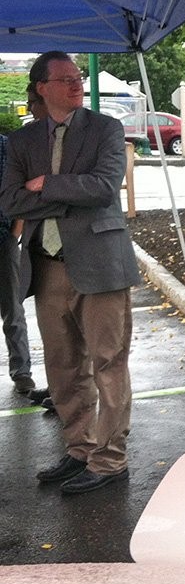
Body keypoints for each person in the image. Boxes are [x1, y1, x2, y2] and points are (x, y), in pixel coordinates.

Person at [0, 51, 141, 494]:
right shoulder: (23, 143)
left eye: (77, 77)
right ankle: (80, 449)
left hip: (101, 265)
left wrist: (46, 186)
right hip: (47, 268)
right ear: (42, 87)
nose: (76, 84)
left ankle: (110, 459)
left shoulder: (106, 129)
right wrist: (64, 195)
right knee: (63, 366)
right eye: (64, 79)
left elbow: (103, 188)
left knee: (108, 363)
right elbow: (10, 201)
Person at [0, 116, 37, 396]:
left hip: (4, 237)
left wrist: (16, 230)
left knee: (13, 305)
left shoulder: (5, 147)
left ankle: (21, 370)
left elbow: (20, 190)